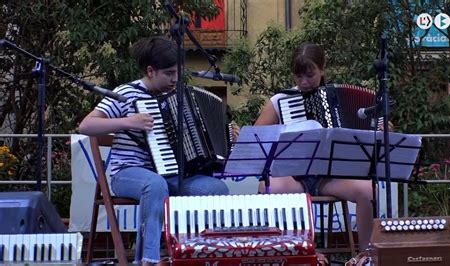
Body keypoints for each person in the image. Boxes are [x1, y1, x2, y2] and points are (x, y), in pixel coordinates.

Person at [78, 36, 229, 265]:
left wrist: (227, 134)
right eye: (168, 73)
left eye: (177, 72)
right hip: (128, 173)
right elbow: (86, 125)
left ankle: (196, 255)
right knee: (154, 184)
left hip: (170, 174)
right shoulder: (125, 93)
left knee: (216, 189)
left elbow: (198, 136)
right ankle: (148, 259)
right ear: (150, 71)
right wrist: (129, 122)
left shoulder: (180, 98)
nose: (174, 79)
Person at [254, 43, 374, 252]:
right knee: (267, 188)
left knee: (367, 190)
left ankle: (366, 256)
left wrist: (381, 128)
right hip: (294, 179)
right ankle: (283, 252)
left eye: (310, 75)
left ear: (322, 69)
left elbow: (368, 136)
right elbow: (256, 137)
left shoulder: (340, 98)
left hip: (330, 179)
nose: (303, 82)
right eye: (298, 76)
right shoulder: (281, 100)